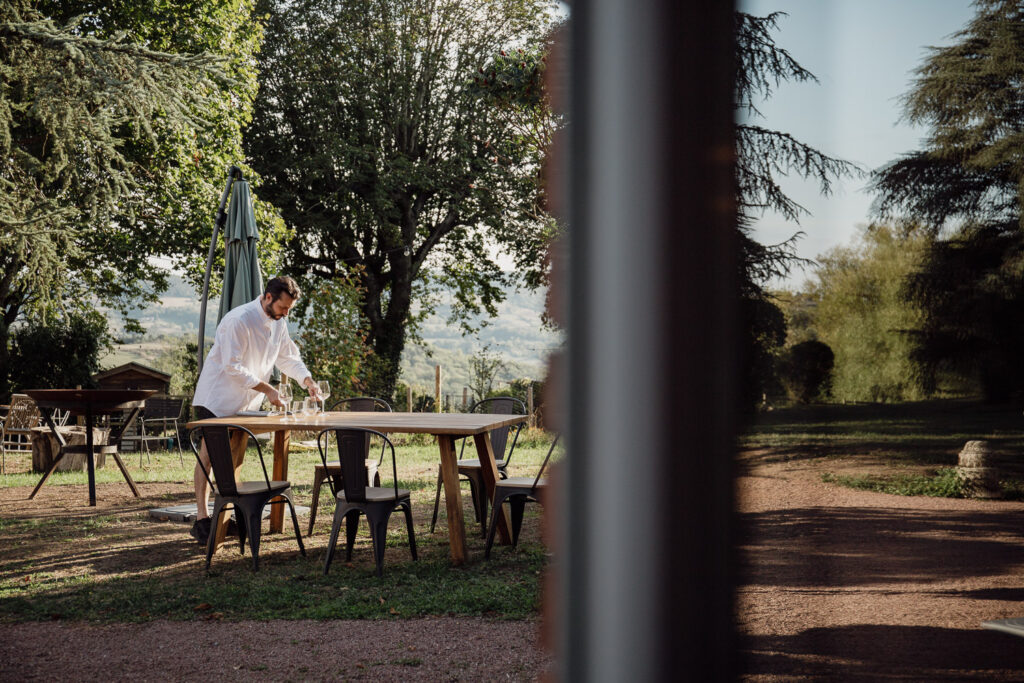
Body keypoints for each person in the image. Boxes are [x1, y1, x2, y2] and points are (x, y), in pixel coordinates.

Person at [189, 275, 320, 545]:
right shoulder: (238, 319)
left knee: (235, 457)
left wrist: (306, 379)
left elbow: (288, 357)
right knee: (211, 457)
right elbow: (232, 367)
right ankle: (202, 520)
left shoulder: (279, 322)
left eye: (289, 310)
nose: (286, 314)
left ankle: (225, 516)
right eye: (284, 307)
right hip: (217, 398)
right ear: (268, 297)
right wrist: (269, 390)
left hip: (245, 403)